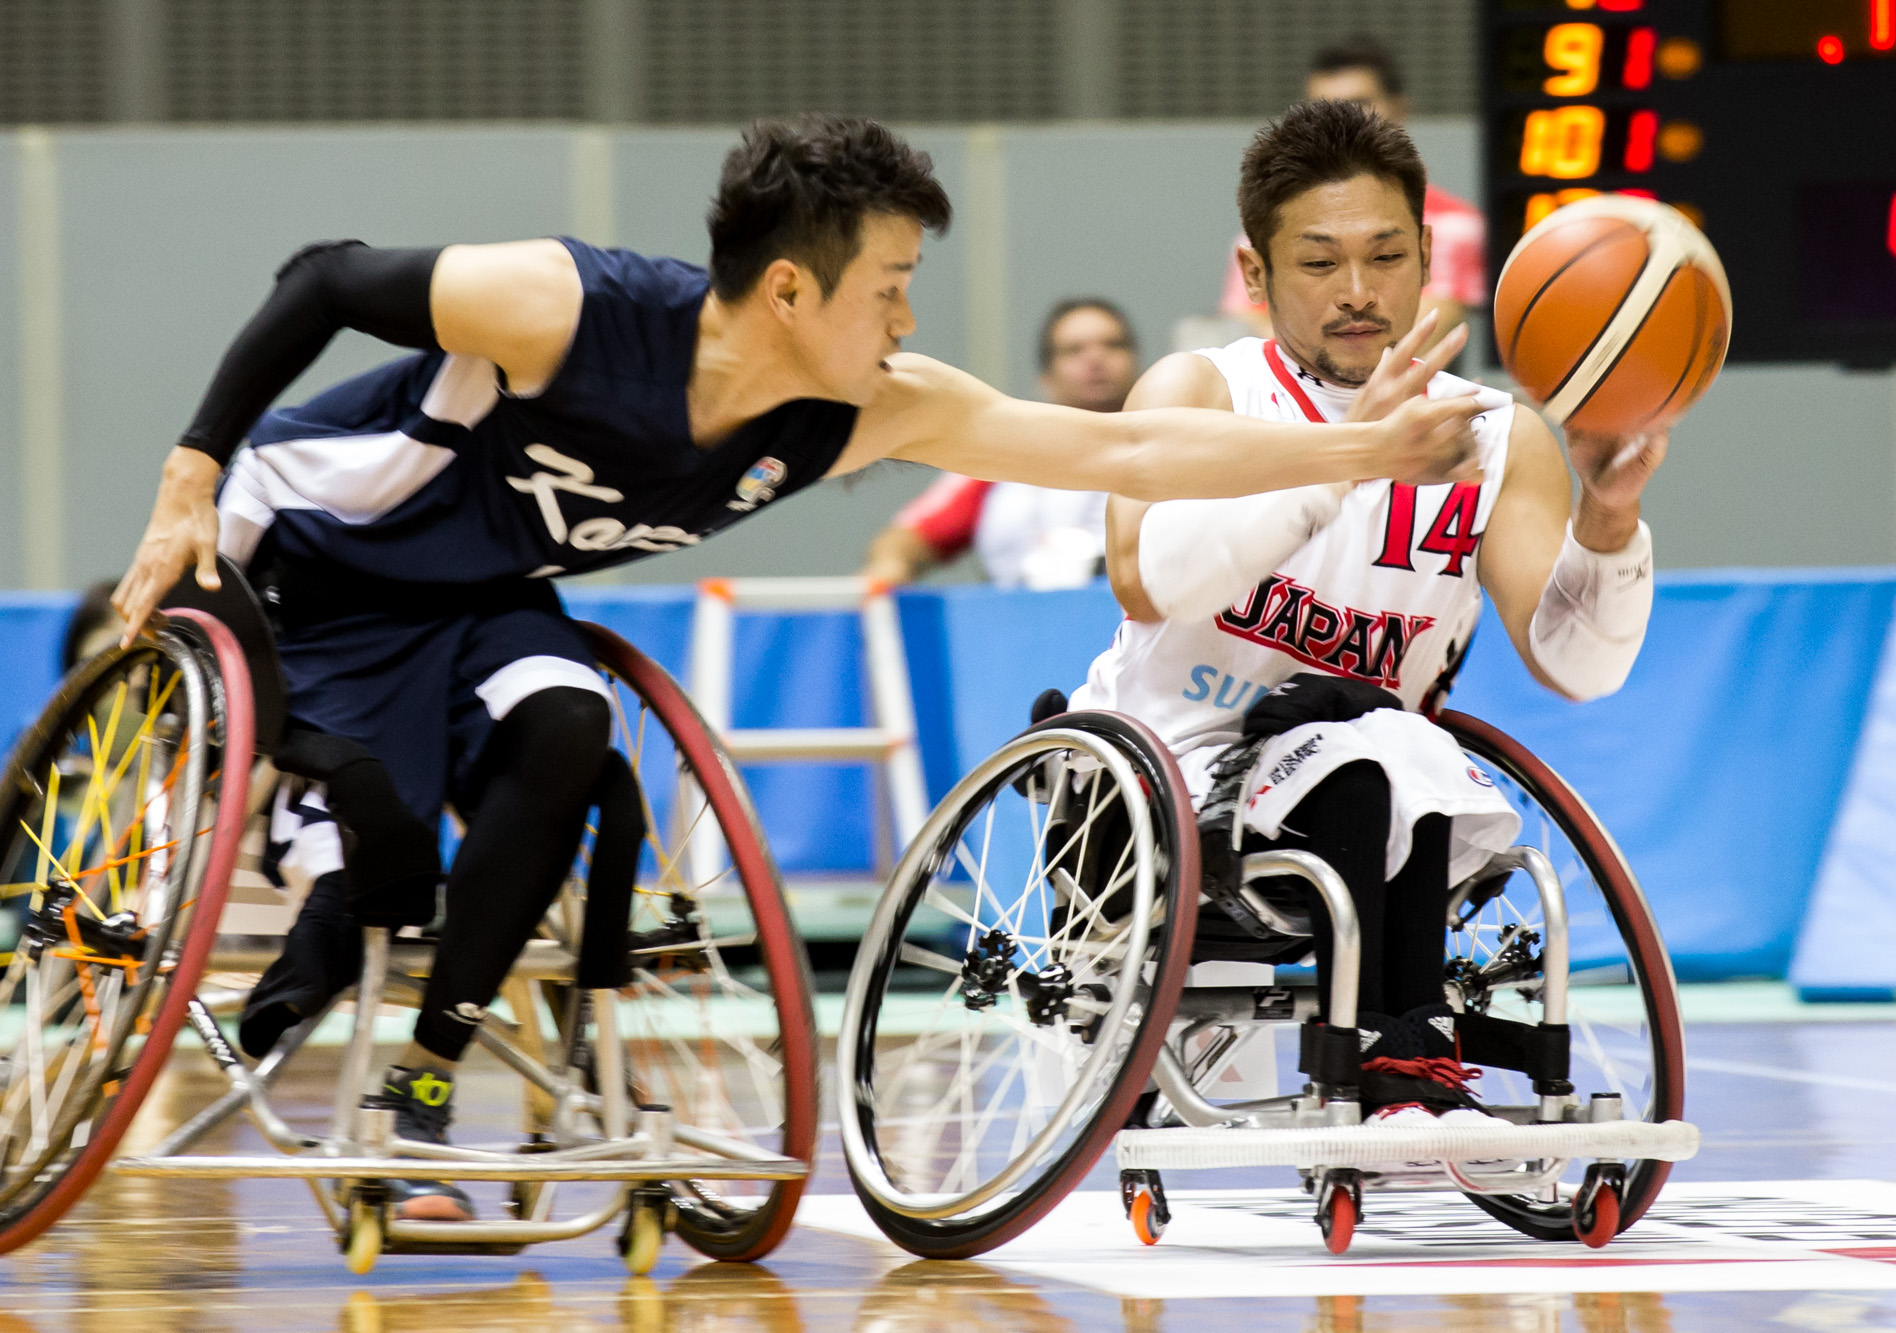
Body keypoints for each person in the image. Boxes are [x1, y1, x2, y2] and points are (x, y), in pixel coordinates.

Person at [110, 114, 1483, 1221]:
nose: (904, 314)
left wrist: (1355, 453)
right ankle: (308, 962)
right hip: (308, 563)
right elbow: (323, 276)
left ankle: (426, 1079)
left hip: (477, 600)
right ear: (789, 288)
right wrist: (187, 478)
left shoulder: (865, 408)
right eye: (889, 286)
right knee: (379, 844)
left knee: (571, 730)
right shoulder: (565, 308)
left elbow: (1121, 453)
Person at [1079, 99, 1665, 1113]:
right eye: (1316, 263)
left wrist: (1608, 521)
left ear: (1427, 256)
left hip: (1381, 802)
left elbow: (1580, 668)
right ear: (1254, 274)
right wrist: (1351, 462)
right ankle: (1394, 1051)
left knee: (1391, 750)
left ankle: (1403, 1050)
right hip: (1164, 789)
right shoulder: (1200, 391)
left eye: (1384, 256)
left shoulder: (1494, 437)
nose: (1357, 292)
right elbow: (1145, 577)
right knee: (1380, 752)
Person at [1219, 36, 1486, 356]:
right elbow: (1241, 331)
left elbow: (1420, 332)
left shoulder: (1458, 225)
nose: (1341, 120)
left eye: (1387, 256)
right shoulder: (1263, 229)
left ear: (1399, 108)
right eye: (1318, 262)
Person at [860, 298, 1139, 589]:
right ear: (1045, 379)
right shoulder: (998, 454)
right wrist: (889, 566)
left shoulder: (1167, 449)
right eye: (1074, 350)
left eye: (1113, 345)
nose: (1095, 359)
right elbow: (908, 537)